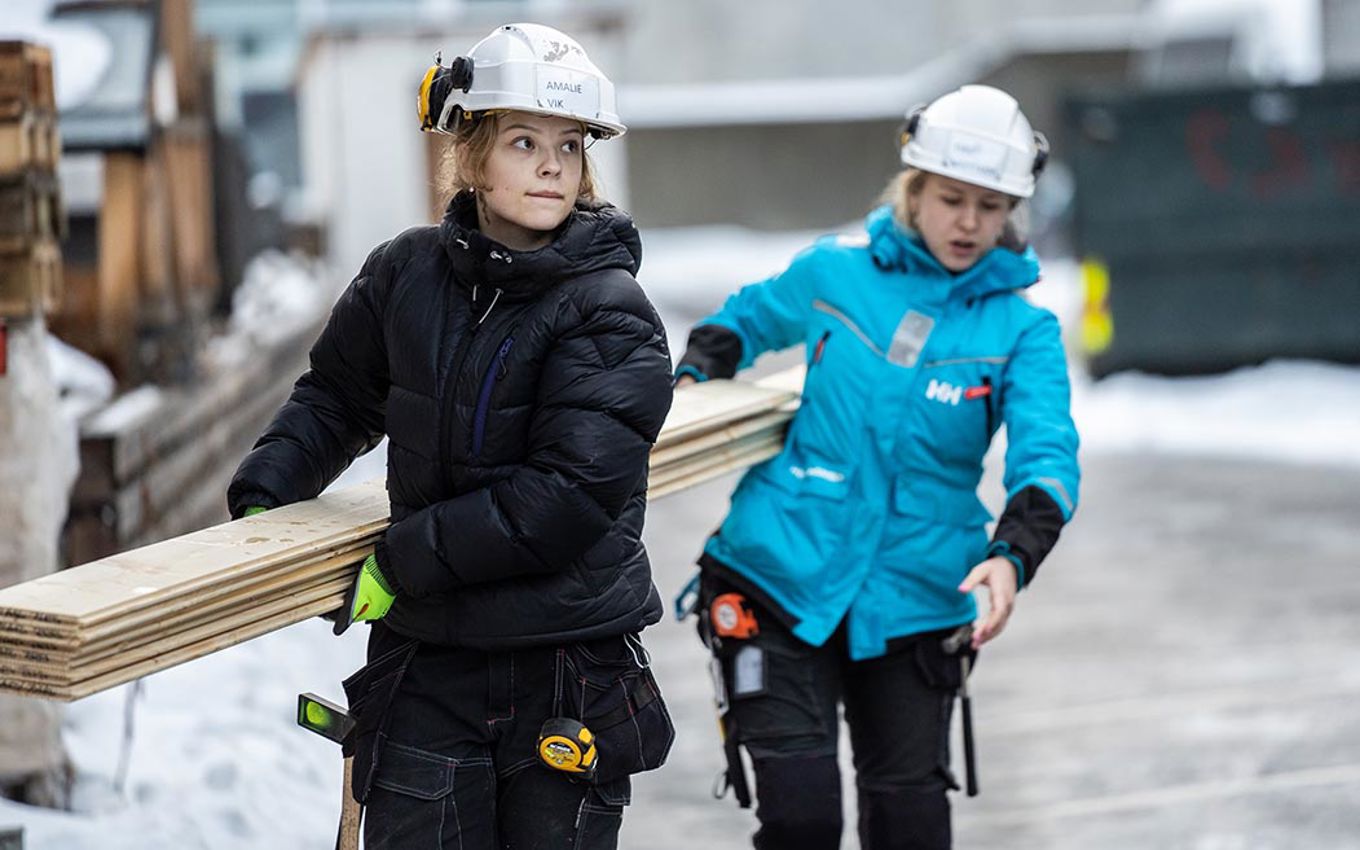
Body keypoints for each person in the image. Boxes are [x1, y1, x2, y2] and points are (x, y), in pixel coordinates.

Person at [227, 23, 675, 850]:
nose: (551, 164)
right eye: (524, 141)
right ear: (469, 152)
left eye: (570, 146)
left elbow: (565, 496)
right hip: (430, 663)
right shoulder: (405, 273)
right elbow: (338, 396)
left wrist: (403, 560)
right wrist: (268, 495)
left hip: (563, 666)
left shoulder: (610, 310)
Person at [673, 84, 1080, 850]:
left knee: (910, 829)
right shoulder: (837, 274)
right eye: (952, 198)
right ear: (914, 189)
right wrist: (691, 382)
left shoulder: (1023, 331)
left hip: (918, 602)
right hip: (776, 577)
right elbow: (744, 321)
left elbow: (1047, 453)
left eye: (990, 206)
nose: (968, 222)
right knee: (802, 821)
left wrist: (1011, 558)